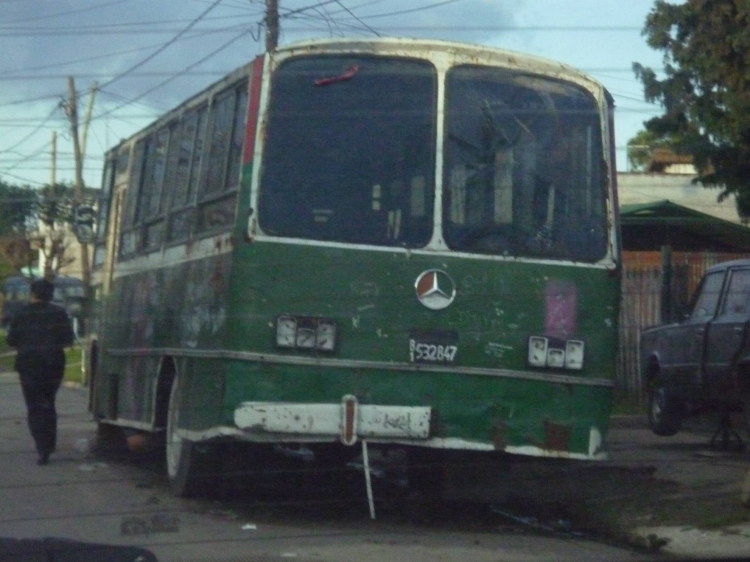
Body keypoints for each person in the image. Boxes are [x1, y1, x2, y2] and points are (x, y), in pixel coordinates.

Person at [6, 278, 75, 465]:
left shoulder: (20, 314)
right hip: (53, 364)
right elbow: (68, 339)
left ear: (32, 294)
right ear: (51, 295)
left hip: (29, 364)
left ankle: (42, 448)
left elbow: (11, 340)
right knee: (48, 402)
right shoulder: (59, 313)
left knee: (34, 405)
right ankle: (49, 443)